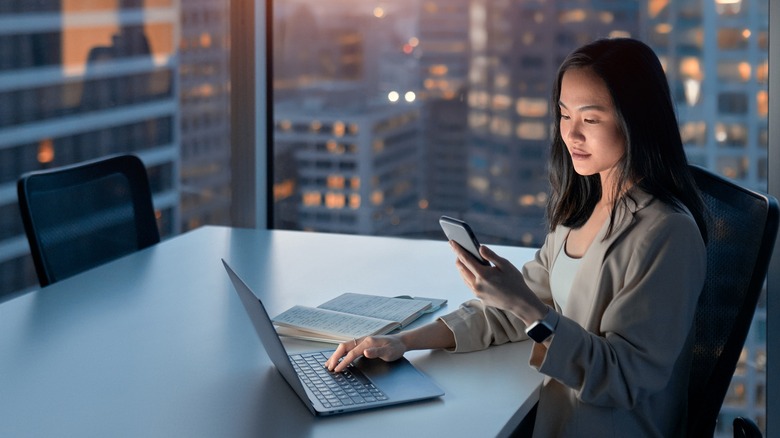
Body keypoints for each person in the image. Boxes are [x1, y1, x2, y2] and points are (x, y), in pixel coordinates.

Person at [326, 37, 707, 437]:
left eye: (590, 119)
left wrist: (528, 308)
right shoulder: (582, 210)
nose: (571, 134)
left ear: (637, 121)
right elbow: (509, 311)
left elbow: (624, 377)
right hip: (557, 417)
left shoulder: (667, 234)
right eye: (564, 115)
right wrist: (403, 342)